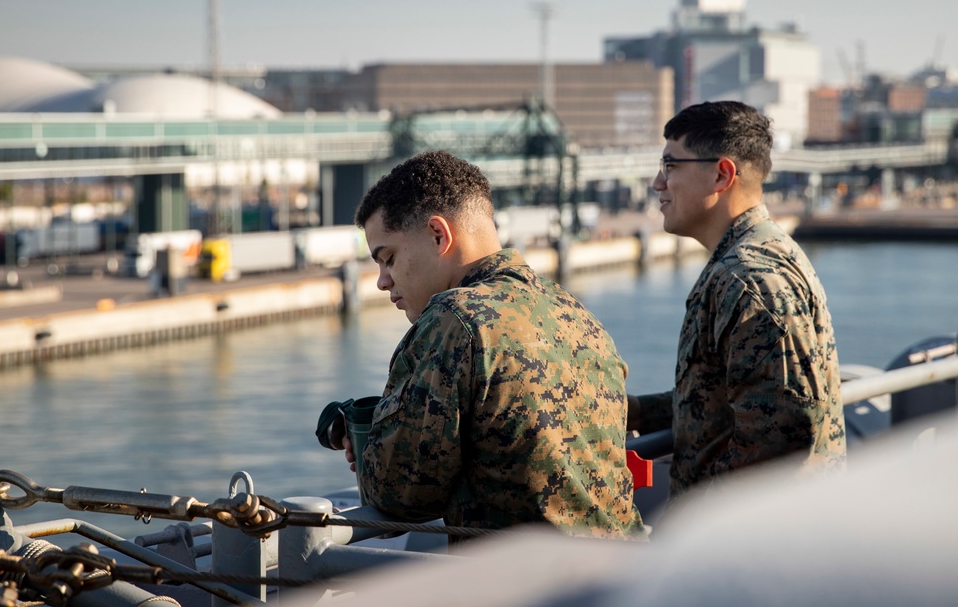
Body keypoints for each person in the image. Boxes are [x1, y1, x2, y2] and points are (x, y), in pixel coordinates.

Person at [317, 149, 645, 542]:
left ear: (439, 235)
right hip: (628, 574)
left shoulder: (453, 319)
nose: (382, 281)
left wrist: (369, 435)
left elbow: (396, 497)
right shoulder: (573, 311)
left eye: (388, 258)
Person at [630, 101, 846, 499]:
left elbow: (780, 443)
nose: (658, 183)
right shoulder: (757, 256)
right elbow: (727, 399)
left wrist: (694, 526)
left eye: (670, 166)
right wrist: (640, 412)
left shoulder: (748, 279)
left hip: (751, 550)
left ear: (721, 174)